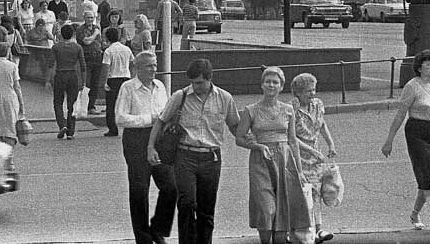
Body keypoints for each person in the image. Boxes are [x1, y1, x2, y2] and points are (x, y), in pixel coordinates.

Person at [148, 58, 241, 244]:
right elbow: (161, 120)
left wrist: (257, 136)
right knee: (187, 203)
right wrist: (151, 147)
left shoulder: (225, 98)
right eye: (192, 82)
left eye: (199, 82)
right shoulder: (180, 96)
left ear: (209, 79)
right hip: (185, 155)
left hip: (211, 156)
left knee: (206, 208)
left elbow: (236, 127)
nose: (195, 86)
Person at [235, 67, 313, 244]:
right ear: (262, 85)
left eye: (275, 82)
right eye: (268, 81)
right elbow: (239, 138)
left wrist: (299, 171)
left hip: (285, 161)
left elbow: (293, 141)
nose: (271, 85)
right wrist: (257, 145)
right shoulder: (250, 110)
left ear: (281, 87)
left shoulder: (288, 110)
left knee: (282, 209)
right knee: (267, 208)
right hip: (260, 161)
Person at [115, 51, 175, 244]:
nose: (154, 69)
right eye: (149, 66)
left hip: (159, 139)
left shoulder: (160, 87)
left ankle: (158, 228)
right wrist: (149, 119)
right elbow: (120, 118)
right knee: (140, 190)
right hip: (136, 140)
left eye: (155, 65)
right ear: (138, 68)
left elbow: (166, 112)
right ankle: (143, 237)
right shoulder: (128, 88)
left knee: (170, 187)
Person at [382, 48, 430, 231]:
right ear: (420, 68)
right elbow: (400, 115)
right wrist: (389, 140)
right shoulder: (412, 86)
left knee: (429, 180)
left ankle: (414, 214)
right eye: (428, 63)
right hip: (418, 133)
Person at [291, 73, 337, 244]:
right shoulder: (292, 109)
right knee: (304, 195)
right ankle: (302, 230)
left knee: (316, 193)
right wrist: (311, 150)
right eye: (308, 91)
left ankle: (319, 229)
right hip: (300, 157)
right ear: (298, 93)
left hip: (316, 156)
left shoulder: (317, 104)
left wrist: (330, 144)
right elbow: (292, 138)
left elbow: (322, 124)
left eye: (314, 90)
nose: (312, 94)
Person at [46, 24, 87, 140]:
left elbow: (50, 64)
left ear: (61, 34)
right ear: (73, 34)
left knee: (58, 102)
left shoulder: (56, 47)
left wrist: (48, 80)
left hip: (60, 74)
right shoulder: (77, 47)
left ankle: (62, 125)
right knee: (72, 104)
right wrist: (83, 81)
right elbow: (83, 66)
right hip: (72, 75)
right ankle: (70, 131)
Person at [103, 27, 134, 137]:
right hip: (126, 77)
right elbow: (132, 63)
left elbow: (106, 67)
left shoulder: (108, 51)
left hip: (113, 79)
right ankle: (129, 126)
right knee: (126, 104)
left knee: (111, 105)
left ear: (107, 38)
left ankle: (113, 129)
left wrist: (104, 82)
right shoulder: (126, 49)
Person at [76, 10, 104, 114]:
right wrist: (96, 34)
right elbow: (86, 41)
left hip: (97, 58)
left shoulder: (96, 27)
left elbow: (99, 42)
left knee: (95, 84)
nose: (90, 20)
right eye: (88, 18)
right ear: (84, 18)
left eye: (92, 18)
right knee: (86, 83)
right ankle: (84, 106)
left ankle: (91, 106)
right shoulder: (80, 29)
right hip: (86, 58)